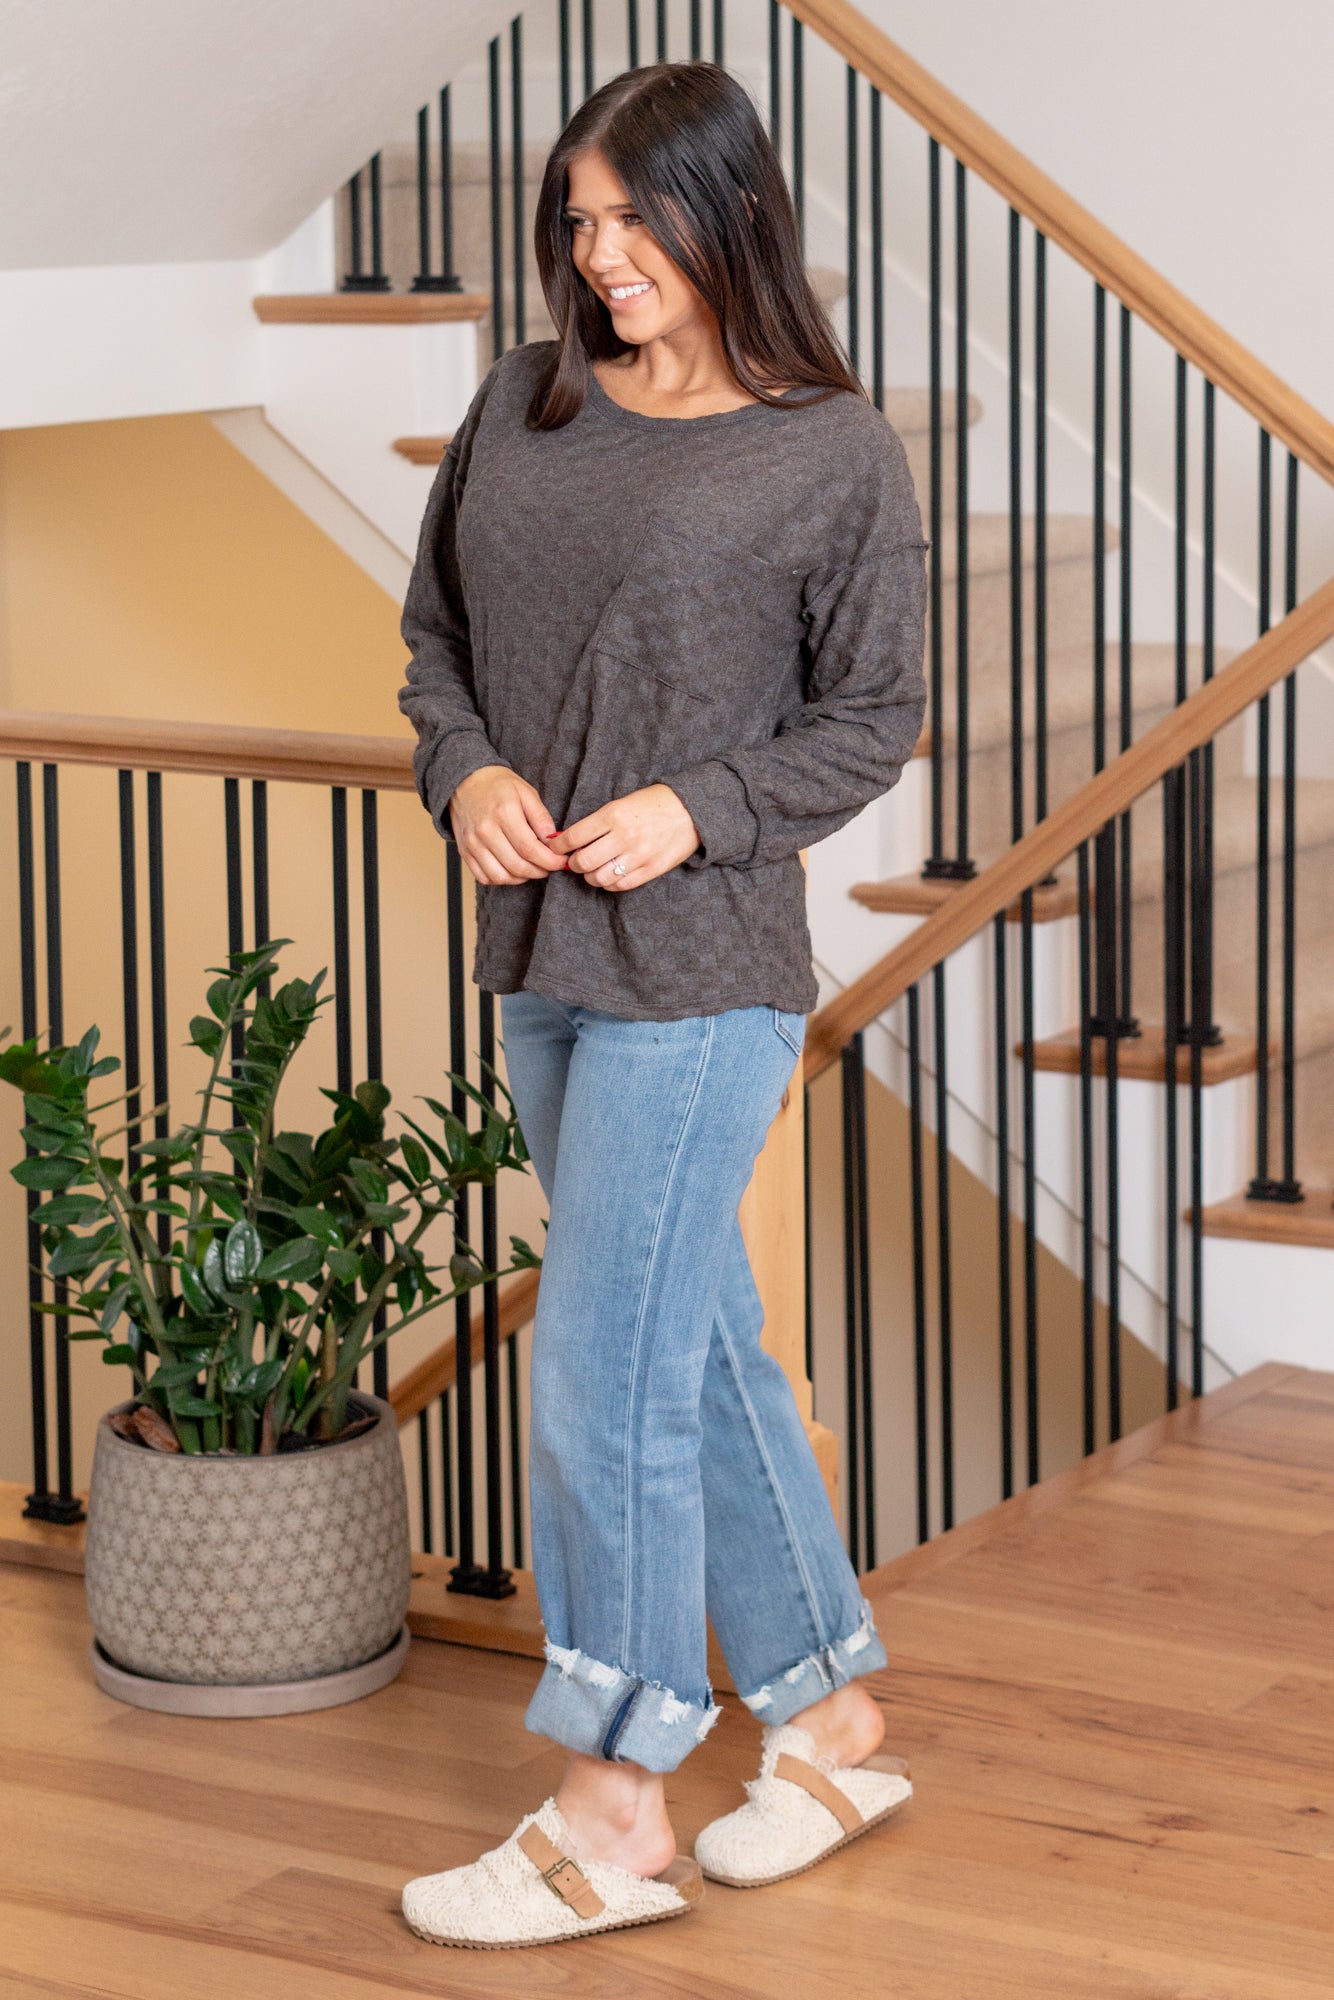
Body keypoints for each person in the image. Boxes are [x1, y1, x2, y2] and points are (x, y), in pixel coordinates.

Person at [396, 59, 927, 1950]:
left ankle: (610, 1812)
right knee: (691, 1349)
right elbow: (435, 642)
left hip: (700, 979)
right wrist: (465, 769)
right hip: (539, 957)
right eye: (580, 220)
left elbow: (872, 717)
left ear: (730, 211)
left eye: (635, 217)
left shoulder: (827, 450)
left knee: (603, 1372)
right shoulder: (520, 404)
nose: (601, 254)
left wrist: (696, 806)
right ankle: (832, 1720)